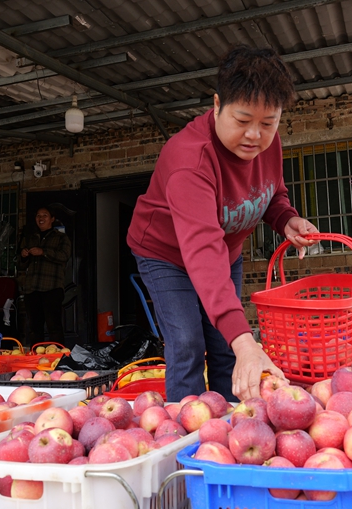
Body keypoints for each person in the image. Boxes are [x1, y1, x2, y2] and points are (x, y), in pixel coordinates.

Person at [127, 45, 318, 402]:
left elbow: (270, 190)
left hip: (225, 252)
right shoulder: (190, 160)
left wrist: (285, 218)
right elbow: (201, 249)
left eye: (268, 123)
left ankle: (230, 429)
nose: (254, 136)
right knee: (187, 342)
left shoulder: (267, 143)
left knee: (225, 348)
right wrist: (246, 340)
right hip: (166, 254)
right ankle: (187, 437)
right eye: (242, 121)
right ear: (217, 105)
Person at [19, 206, 71, 347]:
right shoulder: (31, 238)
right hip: (32, 288)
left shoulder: (61, 237)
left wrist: (43, 252)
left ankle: (58, 358)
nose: (41, 218)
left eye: (45, 215)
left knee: (54, 326)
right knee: (34, 328)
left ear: (52, 219)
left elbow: (64, 256)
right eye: (38, 215)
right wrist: (23, 256)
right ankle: (36, 357)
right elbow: (21, 266)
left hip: (52, 287)